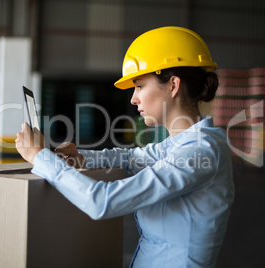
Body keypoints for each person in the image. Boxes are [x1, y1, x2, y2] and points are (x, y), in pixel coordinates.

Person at [16, 26, 234, 268]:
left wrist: (41, 159)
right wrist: (81, 158)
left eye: (139, 86)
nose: (133, 98)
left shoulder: (199, 152)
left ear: (173, 85)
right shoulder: (180, 144)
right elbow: (131, 157)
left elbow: (102, 202)